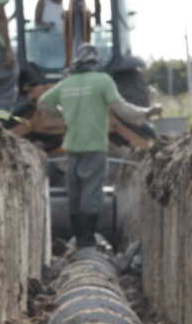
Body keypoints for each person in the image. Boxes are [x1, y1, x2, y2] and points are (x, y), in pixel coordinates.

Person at [38, 44, 162, 247]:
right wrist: (147, 113)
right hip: (94, 146)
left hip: (72, 147)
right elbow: (123, 109)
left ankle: (79, 238)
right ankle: (87, 240)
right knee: (91, 193)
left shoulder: (67, 83)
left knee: (75, 193)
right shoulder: (102, 81)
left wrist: (63, 114)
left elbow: (43, 103)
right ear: (95, 62)